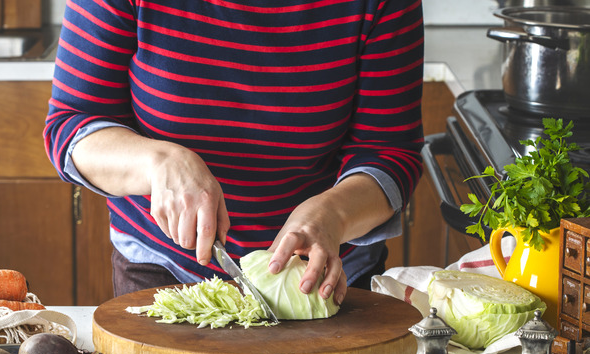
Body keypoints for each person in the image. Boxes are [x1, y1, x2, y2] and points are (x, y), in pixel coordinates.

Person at [44, 0, 425, 305]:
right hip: (165, 269)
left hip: (324, 274)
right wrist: (159, 161)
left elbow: (390, 151)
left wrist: (334, 214)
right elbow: (70, 125)